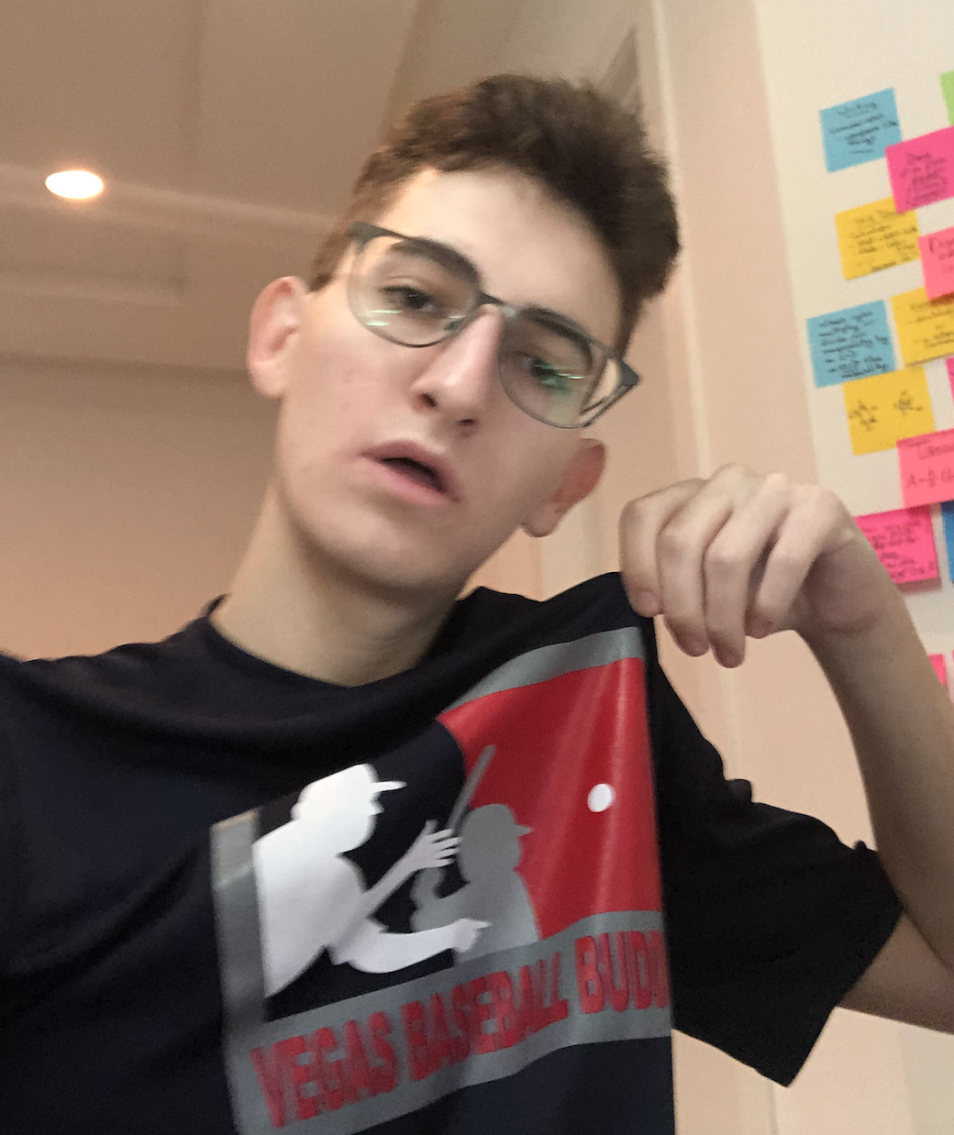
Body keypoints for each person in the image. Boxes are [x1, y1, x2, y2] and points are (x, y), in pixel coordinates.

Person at [0, 74, 952, 1135]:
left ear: (566, 484)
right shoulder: (28, 756)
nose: (457, 386)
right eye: (415, 298)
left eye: (541, 364)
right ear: (281, 336)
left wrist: (861, 620)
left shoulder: (580, 732)